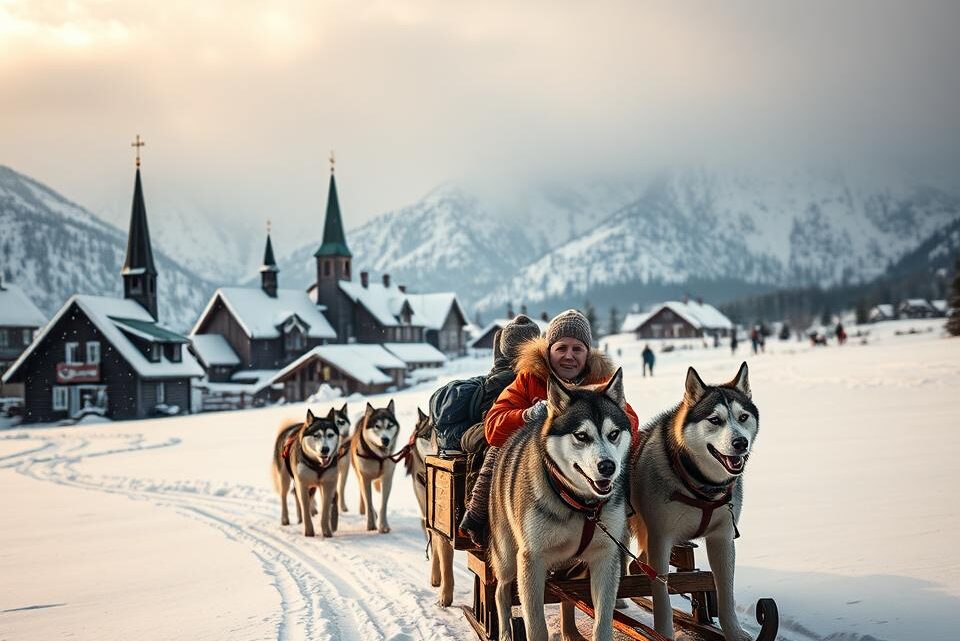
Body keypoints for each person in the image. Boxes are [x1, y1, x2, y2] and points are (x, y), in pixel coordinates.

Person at [459, 309, 640, 545]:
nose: (569, 356)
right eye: (561, 348)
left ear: (587, 353)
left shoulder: (599, 384)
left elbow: (631, 423)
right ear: (549, 350)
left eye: (577, 349)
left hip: (585, 465)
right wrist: (526, 415)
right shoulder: (530, 380)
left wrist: (609, 425)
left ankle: (632, 523)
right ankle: (478, 515)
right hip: (534, 472)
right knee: (496, 453)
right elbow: (494, 427)